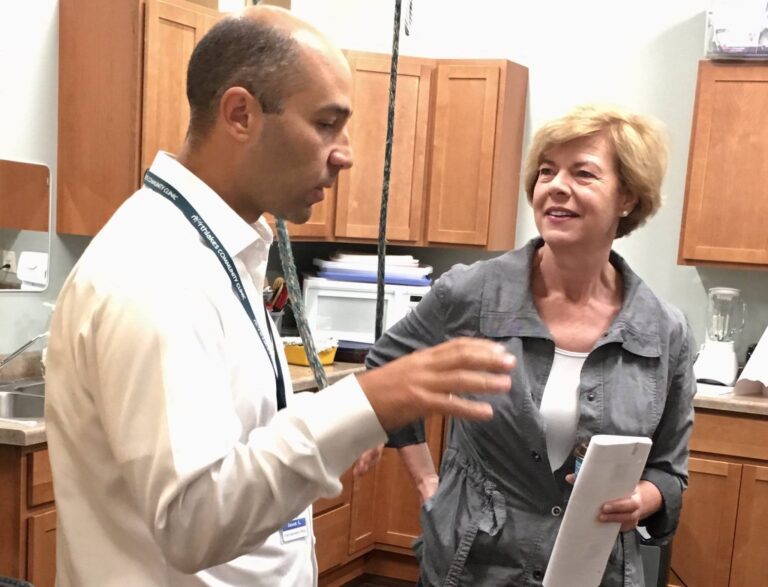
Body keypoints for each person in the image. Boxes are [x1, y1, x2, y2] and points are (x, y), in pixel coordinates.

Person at [44, 7, 517, 586]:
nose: (345, 153)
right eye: (326, 124)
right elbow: (194, 521)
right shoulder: (157, 270)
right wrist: (365, 404)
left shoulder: (220, 251)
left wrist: (349, 418)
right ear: (240, 114)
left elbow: (242, 450)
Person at [365, 104, 696, 586]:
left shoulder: (664, 330)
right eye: (546, 171)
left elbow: (669, 470)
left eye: (583, 173)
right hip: (474, 566)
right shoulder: (473, 293)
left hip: (592, 570)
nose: (556, 186)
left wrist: (642, 500)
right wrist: (426, 480)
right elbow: (387, 365)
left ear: (627, 196)